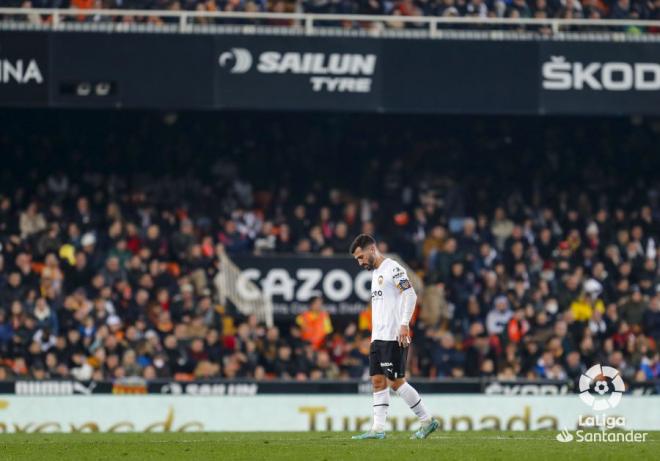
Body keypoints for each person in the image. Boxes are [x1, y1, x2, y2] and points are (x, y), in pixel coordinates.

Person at [349, 234, 439, 440]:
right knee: (378, 381)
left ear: (372, 249)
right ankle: (378, 429)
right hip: (378, 337)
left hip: (393, 336)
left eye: (361, 257)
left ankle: (427, 420)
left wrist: (404, 324)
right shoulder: (376, 273)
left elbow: (410, 294)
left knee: (396, 381)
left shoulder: (393, 268)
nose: (360, 262)